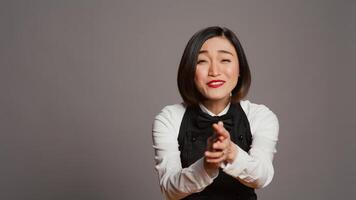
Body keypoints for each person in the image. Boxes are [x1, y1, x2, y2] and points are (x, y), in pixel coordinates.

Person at [152, 26, 279, 200]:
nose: (214, 71)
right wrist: (206, 166)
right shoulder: (169, 118)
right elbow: (169, 188)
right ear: (189, 70)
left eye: (225, 60)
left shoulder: (260, 116)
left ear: (240, 68)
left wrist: (232, 154)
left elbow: (262, 177)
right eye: (202, 61)